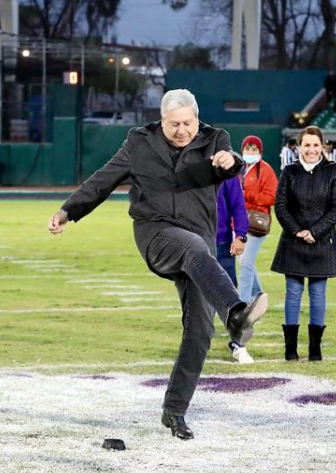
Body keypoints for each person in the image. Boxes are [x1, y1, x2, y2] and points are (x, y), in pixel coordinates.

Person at [47, 89, 268, 440]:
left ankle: (175, 412)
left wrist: (232, 162)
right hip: (156, 234)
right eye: (173, 124)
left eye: (187, 123)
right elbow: (103, 179)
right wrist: (68, 210)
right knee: (193, 247)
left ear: (197, 119)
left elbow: (232, 160)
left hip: (200, 247)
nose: (181, 130)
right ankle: (237, 314)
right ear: (161, 120)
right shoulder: (139, 142)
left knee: (200, 330)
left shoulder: (216, 139)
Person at [271, 126, 336, 362]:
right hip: (293, 242)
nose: (311, 150)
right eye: (307, 145)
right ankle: (290, 350)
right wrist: (297, 231)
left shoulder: (333, 172)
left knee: (318, 293)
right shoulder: (289, 171)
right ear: (299, 146)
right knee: (293, 293)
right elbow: (280, 206)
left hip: (321, 242)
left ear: (322, 146)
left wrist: (315, 231)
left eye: (315, 145)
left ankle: (315, 350)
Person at [215, 155, 252, 364]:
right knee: (194, 298)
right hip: (194, 243)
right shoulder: (190, 170)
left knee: (229, 297)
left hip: (220, 243)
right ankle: (194, 346)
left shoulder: (228, 173)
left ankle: (238, 344)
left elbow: (238, 206)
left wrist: (240, 235)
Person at [238, 135, 278, 306]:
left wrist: (247, 195)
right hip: (240, 221)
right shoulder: (239, 169)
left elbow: (271, 197)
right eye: (247, 148)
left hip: (257, 222)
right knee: (244, 260)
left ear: (260, 151)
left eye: (254, 149)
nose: (250, 152)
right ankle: (259, 294)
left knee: (246, 261)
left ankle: (244, 303)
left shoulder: (266, 170)